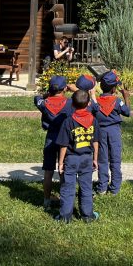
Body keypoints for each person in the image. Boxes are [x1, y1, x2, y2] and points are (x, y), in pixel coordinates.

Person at [55, 89, 100, 223]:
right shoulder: (94, 120)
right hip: (87, 158)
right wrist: (95, 159)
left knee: (68, 188)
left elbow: (63, 145)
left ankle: (65, 217)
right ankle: (87, 216)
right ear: (88, 104)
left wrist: (61, 162)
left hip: (71, 159)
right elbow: (96, 142)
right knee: (86, 187)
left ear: (72, 105)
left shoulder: (68, 122)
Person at [34, 75, 70, 211]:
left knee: (48, 171)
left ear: (50, 89)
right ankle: (64, 198)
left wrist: (47, 94)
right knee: (63, 169)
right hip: (65, 138)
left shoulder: (43, 103)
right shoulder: (69, 103)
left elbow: (37, 98)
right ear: (64, 88)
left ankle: (46, 200)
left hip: (50, 137)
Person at [95, 70, 131, 196]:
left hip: (100, 133)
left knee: (102, 160)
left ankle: (102, 187)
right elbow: (127, 112)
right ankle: (115, 188)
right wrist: (126, 97)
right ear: (114, 89)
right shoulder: (117, 101)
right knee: (115, 159)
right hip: (114, 132)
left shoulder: (96, 102)